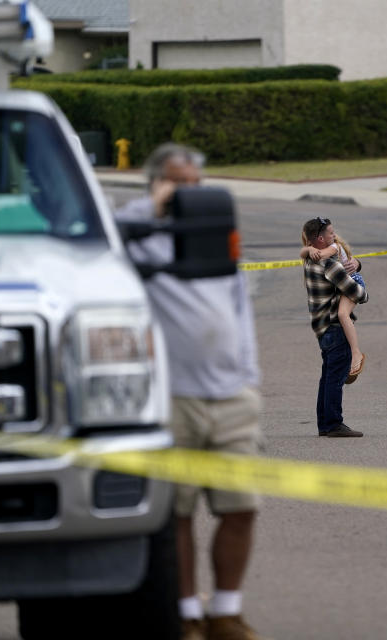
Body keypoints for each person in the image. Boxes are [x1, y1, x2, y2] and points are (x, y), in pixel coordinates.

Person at [116, 143, 264, 640]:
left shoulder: (215, 230)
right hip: (171, 397)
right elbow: (107, 247)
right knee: (176, 514)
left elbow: (239, 304)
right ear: (156, 183)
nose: (189, 192)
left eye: (194, 183)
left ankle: (226, 610)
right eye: (177, 183)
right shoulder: (138, 232)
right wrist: (155, 209)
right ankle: (185, 614)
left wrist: (249, 378)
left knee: (241, 507)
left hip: (231, 394)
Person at [302, 216, 369, 437]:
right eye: (330, 233)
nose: (334, 236)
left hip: (321, 328)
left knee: (328, 375)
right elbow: (357, 293)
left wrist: (356, 263)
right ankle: (332, 423)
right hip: (335, 327)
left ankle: (324, 422)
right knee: (335, 378)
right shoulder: (330, 265)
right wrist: (363, 289)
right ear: (320, 239)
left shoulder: (310, 260)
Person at [300, 228, 366, 380]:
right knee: (344, 316)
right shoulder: (329, 250)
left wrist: (309, 250)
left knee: (343, 314)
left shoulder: (334, 247)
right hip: (344, 288)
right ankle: (349, 361)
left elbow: (323, 255)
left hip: (354, 282)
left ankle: (356, 354)